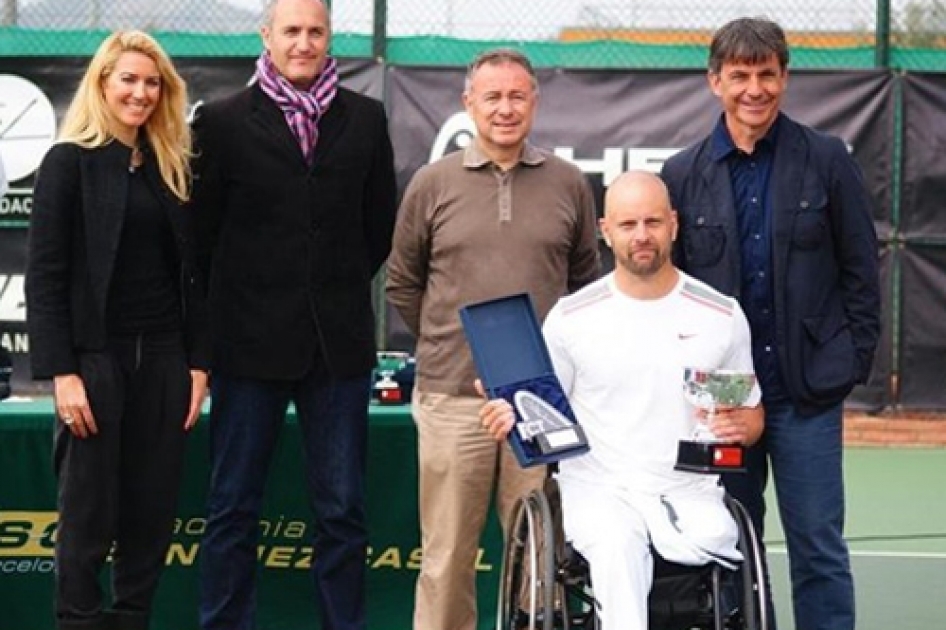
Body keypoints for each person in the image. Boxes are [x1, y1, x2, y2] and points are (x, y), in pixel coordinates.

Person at [660, 17, 881, 630]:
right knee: (731, 546)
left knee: (818, 548)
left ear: (784, 78)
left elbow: (863, 272)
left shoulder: (828, 160)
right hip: (723, 402)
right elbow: (671, 294)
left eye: (766, 75)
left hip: (806, 397)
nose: (754, 89)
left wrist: (847, 363)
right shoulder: (681, 174)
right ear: (714, 82)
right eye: (739, 76)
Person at [480, 171, 764, 630]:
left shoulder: (719, 315)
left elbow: (749, 417)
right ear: (605, 231)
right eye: (628, 224)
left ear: (673, 224)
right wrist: (510, 414)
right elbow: (543, 412)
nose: (642, 236)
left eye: (652, 222)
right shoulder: (572, 319)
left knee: (712, 539)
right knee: (616, 547)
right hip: (599, 491)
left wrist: (742, 427)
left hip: (687, 491)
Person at [190, 0, 397, 628]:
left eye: (315, 31)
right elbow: (203, 237)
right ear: (267, 37)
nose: (304, 43)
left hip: (336, 349)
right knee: (232, 508)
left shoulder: (365, 117)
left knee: (341, 511)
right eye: (292, 31)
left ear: (329, 36)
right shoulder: (222, 122)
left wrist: (325, 289)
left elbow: (377, 228)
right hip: (246, 348)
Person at [386, 48, 601, 630]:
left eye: (517, 96)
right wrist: (450, 338)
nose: (505, 108)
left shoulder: (569, 183)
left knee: (538, 551)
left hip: (542, 404)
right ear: (468, 104)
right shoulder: (432, 184)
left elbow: (586, 289)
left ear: (533, 101)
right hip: (453, 397)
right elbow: (404, 283)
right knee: (447, 555)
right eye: (493, 97)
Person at [25, 30, 209, 630]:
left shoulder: (171, 167)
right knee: (86, 517)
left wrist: (198, 365)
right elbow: (45, 277)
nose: (140, 92)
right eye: (128, 79)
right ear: (102, 84)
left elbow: (194, 277)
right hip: (95, 363)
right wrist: (63, 372)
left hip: (163, 362)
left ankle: (133, 620)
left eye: (152, 82)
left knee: (150, 515)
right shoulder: (66, 163)